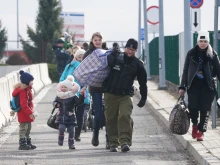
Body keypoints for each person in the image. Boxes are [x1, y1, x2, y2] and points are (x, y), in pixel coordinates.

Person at [102, 38, 148, 152]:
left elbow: (143, 82)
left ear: (136, 50)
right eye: (128, 48)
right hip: (110, 93)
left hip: (125, 95)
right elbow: (108, 62)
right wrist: (113, 52)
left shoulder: (138, 64)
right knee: (111, 118)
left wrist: (144, 97)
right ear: (125, 48)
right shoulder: (117, 57)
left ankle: (125, 142)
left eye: (133, 49)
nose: (130, 51)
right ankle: (113, 142)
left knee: (124, 115)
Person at [179, 31, 220, 141]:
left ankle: (201, 131)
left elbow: (219, 70)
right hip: (193, 84)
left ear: (208, 42)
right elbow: (186, 70)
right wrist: (182, 86)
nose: (203, 43)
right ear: (197, 42)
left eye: (205, 41)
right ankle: (195, 125)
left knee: (205, 109)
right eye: (201, 41)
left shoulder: (213, 54)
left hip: (208, 85)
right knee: (193, 107)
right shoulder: (191, 53)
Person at [83, 32, 108, 148]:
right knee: (98, 113)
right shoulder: (88, 53)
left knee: (108, 113)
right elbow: (83, 70)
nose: (97, 42)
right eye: (95, 40)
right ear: (92, 41)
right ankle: (96, 134)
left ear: (102, 41)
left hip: (107, 87)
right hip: (95, 87)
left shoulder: (107, 52)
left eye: (99, 40)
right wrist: (83, 86)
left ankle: (109, 139)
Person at [59, 49, 90, 141]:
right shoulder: (69, 66)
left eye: (82, 57)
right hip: (70, 94)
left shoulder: (85, 67)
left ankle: (77, 134)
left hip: (79, 94)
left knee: (79, 115)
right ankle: (72, 133)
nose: (80, 59)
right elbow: (62, 78)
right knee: (73, 114)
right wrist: (64, 86)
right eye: (79, 57)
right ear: (75, 57)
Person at [54, 78, 85, 149]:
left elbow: (79, 102)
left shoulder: (73, 96)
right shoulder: (59, 95)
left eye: (65, 87)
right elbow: (54, 102)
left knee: (71, 131)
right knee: (61, 128)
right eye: (62, 87)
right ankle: (60, 138)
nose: (63, 88)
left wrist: (81, 94)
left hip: (70, 116)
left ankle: (71, 144)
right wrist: (56, 104)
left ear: (69, 88)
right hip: (61, 116)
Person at [11, 70, 36, 150]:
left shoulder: (27, 89)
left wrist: (31, 111)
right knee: (23, 128)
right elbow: (24, 104)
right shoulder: (23, 91)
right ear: (26, 82)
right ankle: (22, 143)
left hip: (27, 113)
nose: (32, 82)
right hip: (23, 113)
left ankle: (27, 142)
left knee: (28, 128)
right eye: (31, 81)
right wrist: (30, 113)